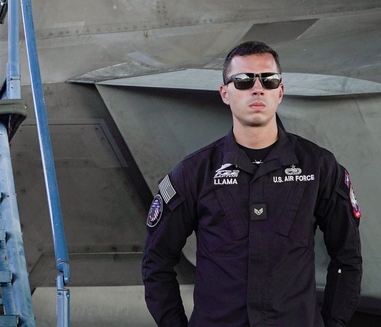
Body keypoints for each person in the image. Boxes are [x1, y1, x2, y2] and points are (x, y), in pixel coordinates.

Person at [142, 40, 362, 326]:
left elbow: (347, 257)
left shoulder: (318, 167)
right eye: (243, 80)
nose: (257, 88)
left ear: (280, 92)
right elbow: (157, 262)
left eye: (269, 80)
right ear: (225, 93)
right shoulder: (194, 173)